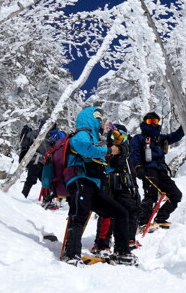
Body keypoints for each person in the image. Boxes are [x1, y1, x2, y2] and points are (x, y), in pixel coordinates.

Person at [58, 107, 136, 266]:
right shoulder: (82, 134)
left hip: (94, 184)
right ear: (90, 119)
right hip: (80, 180)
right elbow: (83, 146)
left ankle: (122, 252)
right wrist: (109, 150)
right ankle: (71, 254)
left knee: (120, 212)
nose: (100, 122)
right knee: (79, 215)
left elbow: (104, 166)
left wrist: (118, 155)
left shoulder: (95, 139)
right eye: (98, 119)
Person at [91, 123, 143, 255]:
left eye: (121, 135)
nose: (117, 138)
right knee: (107, 212)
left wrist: (135, 189)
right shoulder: (106, 148)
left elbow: (131, 172)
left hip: (124, 184)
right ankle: (102, 243)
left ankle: (129, 239)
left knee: (132, 209)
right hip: (107, 183)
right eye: (114, 134)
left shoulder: (127, 152)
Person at [129, 112, 184, 230]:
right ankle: (142, 222)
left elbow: (176, 136)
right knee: (151, 195)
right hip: (148, 169)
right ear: (145, 123)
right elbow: (134, 153)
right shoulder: (139, 138)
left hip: (162, 170)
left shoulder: (161, 138)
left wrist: (183, 127)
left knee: (176, 195)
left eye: (155, 122)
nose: (153, 124)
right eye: (150, 122)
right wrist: (137, 167)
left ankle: (161, 218)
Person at [21, 126, 63, 199]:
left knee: (44, 182)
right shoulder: (38, 133)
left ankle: (46, 199)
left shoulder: (50, 136)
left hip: (42, 162)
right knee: (34, 180)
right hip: (38, 161)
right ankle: (24, 197)